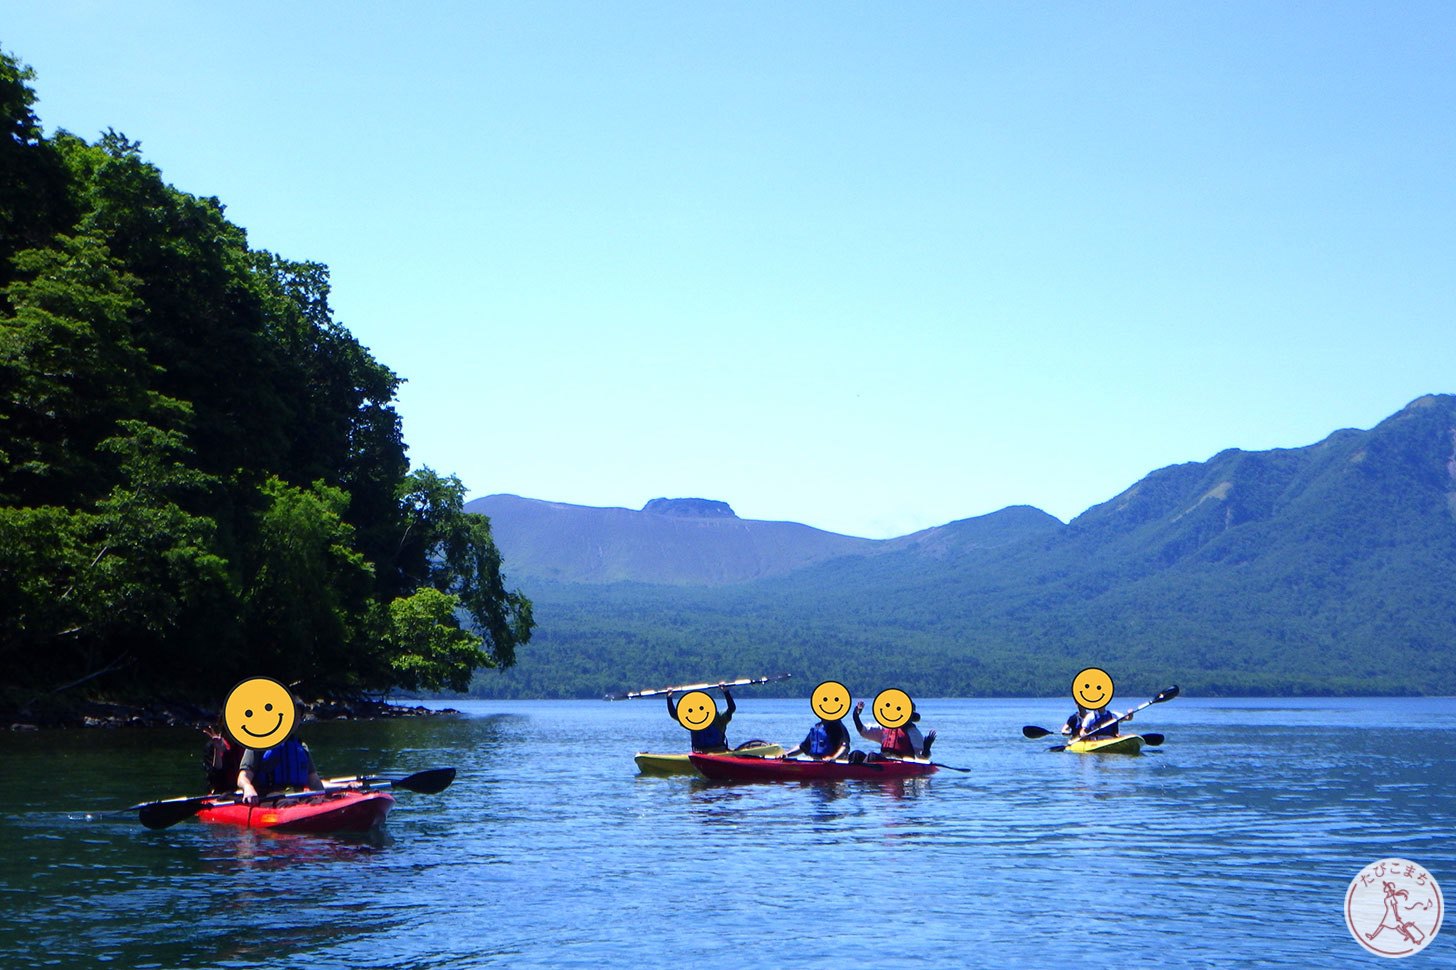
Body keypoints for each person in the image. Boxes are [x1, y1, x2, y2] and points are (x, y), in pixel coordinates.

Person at [236, 729, 325, 804]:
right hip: (270, 797)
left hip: (298, 795)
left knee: (321, 801)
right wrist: (247, 787)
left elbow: (313, 780)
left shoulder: (300, 745)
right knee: (289, 803)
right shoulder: (258, 744)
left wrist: (324, 796)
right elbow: (243, 777)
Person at [853, 701, 936, 760]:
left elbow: (921, 757)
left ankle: (868, 778)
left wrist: (927, 748)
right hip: (884, 760)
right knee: (856, 755)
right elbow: (863, 731)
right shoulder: (885, 728)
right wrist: (855, 715)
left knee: (872, 757)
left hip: (901, 762)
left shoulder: (913, 732)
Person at [666, 688, 735, 752]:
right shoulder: (693, 719)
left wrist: (726, 692)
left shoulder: (720, 718)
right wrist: (669, 697)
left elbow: (731, 708)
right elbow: (674, 714)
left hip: (719, 751)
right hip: (699, 752)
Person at [784, 711, 851, 760]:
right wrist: (787, 754)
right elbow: (803, 747)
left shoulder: (838, 727)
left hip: (831, 764)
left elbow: (845, 747)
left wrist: (833, 758)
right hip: (816, 762)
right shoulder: (817, 727)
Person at [201, 723, 245, 793]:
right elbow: (215, 778)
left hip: (244, 791)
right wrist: (217, 750)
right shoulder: (212, 746)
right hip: (223, 792)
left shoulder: (245, 746)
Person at [1062, 704, 1130, 741]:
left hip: (1111, 739)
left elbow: (1128, 718)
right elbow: (1082, 730)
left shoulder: (1113, 714)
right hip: (1096, 740)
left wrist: (1130, 714)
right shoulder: (1091, 716)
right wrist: (1083, 734)